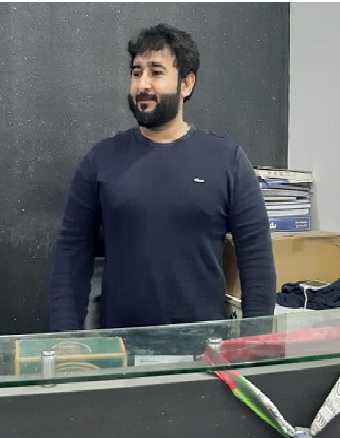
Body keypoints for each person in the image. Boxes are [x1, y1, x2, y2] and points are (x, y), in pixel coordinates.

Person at [49, 23, 276, 331]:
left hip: (204, 346)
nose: (143, 84)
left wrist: (257, 339)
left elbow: (256, 259)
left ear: (186, 83)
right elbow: (71, 256)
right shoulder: (100, 160)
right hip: (121, 345)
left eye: (156, 72)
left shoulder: (227, 161)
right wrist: (65, 339)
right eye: (136, 72)